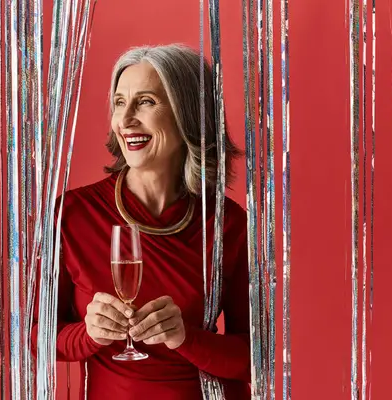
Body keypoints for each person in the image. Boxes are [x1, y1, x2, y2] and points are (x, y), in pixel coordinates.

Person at [32, 44, 250, 399]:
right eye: (119, 102)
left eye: (146, 102)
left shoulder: (228, 224)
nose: (126, 119)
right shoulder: (72, 213)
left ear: (189, 115)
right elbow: (36, 339)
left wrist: (186, 338)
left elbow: (255, 358)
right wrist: (89, 335)